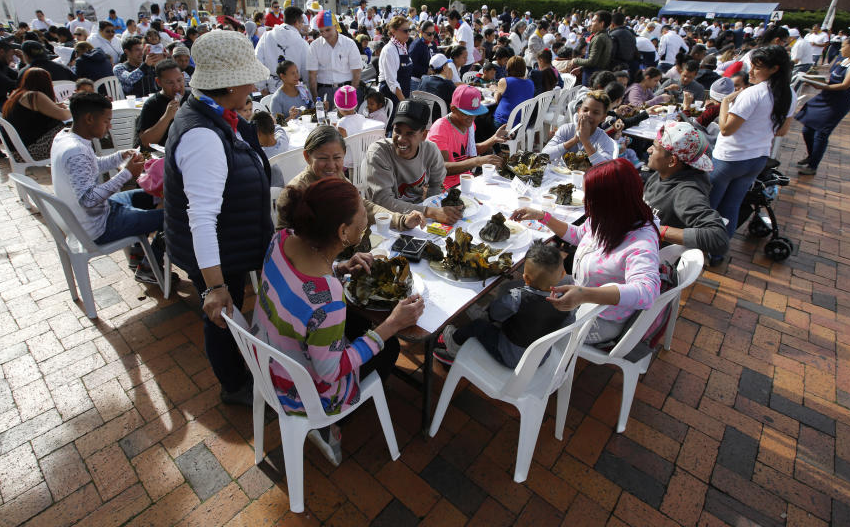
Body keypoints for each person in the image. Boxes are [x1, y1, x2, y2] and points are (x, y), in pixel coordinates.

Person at [254, 177, 423, 464]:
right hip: (299, 388)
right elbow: (332, 371)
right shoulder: (328, 298)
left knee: (362, 329)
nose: (367, 222)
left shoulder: (281, 239)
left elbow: (300, 286)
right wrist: (391, 325)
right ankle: (329, 425)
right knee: (390, 347)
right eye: (362, 218)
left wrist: (339, 267)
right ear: (343, 232)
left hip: (266, 357)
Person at [163, 30, 273, 407]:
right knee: (221, 315)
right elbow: (202, 218)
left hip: (231, 244)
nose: (254, 84)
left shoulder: (216, 116)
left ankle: (238, 370)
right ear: (228, 84)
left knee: (228, 313)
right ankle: (234, 385)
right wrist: (214, 286)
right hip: (216, 254)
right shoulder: (202, 136)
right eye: (248, 77)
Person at [511, 159, 660, 344]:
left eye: (589, 196)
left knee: (522, 320)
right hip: (581, 291)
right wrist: (543, 217)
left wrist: (585, 294)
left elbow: (647, 292)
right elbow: (580, 234)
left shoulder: (641, 243)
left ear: (611, 201)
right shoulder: (611, 218)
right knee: (513, 295)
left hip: (600, 319)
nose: (584, 201)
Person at [50, 91, 163, 282]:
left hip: (97, 212)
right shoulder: (76, 151)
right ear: (88, 118)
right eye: (106, 121)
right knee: (174, 217)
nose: (110, 126)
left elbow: (92, 165)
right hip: (98, 226)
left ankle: (137, 254)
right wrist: (127, 173)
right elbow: (88, 200)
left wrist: (120, 156)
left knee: (150, 196)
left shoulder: (65, 137)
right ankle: (148, 268)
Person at [433, 242, 571, 366]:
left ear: (525, 278)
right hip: (538, 358)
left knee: (478, 325)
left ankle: (452, 349)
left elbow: (494, 313)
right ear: (563, 274)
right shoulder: (567, 302)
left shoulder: (517, 298)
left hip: (510, 356)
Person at [708, 45, 792, 249]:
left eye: (757, 67)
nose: (751, 72)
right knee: (731, 206)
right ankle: (718, 251)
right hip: (757, 159)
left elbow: (726, 129)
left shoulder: (753, 93)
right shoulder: (788, 93)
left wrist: (726, 102)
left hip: (729, 159)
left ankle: (699, 249)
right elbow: (781, 131)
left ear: (774, 69)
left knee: (708, 207)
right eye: (752, 66)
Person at [275, 126, 422, 230]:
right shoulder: (295, 193)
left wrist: (401, 220)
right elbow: (285, 240)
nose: (331, 166)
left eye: (337, 158)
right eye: (323, 158)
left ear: (344, 155)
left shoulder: (339, 178)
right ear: (307, 157)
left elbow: (363, 206)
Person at [643, 121, 729, 259]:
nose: (649, 150)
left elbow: (718, 238)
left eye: (655, 147)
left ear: (672, 161)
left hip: (653, 257)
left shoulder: (686, 192)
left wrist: (657, 230)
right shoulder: (664, 173)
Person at [364, 99, 458, 223]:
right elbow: (383, 201)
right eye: (397, 131)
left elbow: (436, 185)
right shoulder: (378, 153)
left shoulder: (431, 150)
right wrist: (429, 212)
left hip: (419, 218)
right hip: (385, 222)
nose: (401, 139)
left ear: (423, 135)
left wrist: (432, 209)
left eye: (410, 134)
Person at [795, 34, 850, 175]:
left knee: (821, 134)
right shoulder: (846, 60)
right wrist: (813, 79)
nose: (840, 49)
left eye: (843, 46)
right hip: (826, 97)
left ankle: (813, 166)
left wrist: (822, 86)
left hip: (839, 101)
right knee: (807, 130)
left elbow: (845, 85)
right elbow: (831, 79)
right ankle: (812, 156)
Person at [427, 84, 506, 189]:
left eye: (475, 113)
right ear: (453, 109)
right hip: (444, 186)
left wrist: (493, 139)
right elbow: (442, 168)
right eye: (466, 113)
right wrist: (476, 161)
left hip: (464, 179)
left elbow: (470, 150)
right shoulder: (440, 128)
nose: (471, 117)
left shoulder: (469, 125)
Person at [2, 68, 71, 160]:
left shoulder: (18, 93)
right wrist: (75, 108)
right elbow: (64, 115)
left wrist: (54, 106)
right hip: (31, 150)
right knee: (79, 127)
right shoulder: (34, 96)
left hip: (18, 150)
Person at [541, 90, 617, 165]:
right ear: (579, 111)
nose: (588, 115)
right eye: (585, 110)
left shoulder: (604, 140)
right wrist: (574, 140)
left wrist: (585, 141)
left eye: (595, 113)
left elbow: (605, 168)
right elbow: (543, 155)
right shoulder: (567, 130)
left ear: (603, 118)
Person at [306, 10, 362, 104]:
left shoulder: (349, 44)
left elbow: (357, 72)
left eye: (328, 30)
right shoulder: (315, 46)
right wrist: (317, 100)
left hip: (346, 90)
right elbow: (312, 75)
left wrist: (351, 94)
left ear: (335, 26)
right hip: (324, 92)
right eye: (321, 31)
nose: (325, 34)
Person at [255, 6, 310, 93]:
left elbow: (258, 61)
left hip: (271, 89)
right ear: (296, 23)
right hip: (294, 92)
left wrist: (261, 87)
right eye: (302, 23)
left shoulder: (266, 36)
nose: (302, 26)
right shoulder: (302, 44)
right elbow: (306, 72)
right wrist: (307, 91)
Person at [136, 59, 187, 148]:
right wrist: (167, 117)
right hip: (159, 154)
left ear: (183, 76)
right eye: (170, 82)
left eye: (179, 80)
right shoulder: (152, 104)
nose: (177, 87)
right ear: (159, 82)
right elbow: (145, 142)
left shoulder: (192, 98)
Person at [485, 55, 534, 141]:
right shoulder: (530, 83)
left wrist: (495, 90)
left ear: (509, 68)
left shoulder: (504, 81)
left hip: (505, 124)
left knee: (483, 120)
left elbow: (497, 101)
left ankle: (492, 147)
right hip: (522, 124)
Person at [378, 15, 414, 124]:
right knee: (392, 126)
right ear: (393, 31)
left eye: (409, 30)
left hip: (403, 93)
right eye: (405, 31)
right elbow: (392, 82)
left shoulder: (403, 47)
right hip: (391, 95)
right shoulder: (389, 50)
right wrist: (404, 103)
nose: (408, 34)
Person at [567, 10, 613, 86]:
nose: (590, 24)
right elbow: (597, 60)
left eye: (593, 21)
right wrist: (581, 68)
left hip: (592, 79)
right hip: (595, 76)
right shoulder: (605, 36)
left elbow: (592, 62)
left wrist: (575, 60)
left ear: (602, 24)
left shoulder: (599, 38)